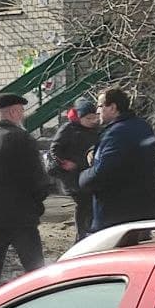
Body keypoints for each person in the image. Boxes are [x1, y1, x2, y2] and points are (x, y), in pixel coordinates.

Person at [0, 93, 49, 299]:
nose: (22, 115)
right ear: (14, 112)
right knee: (35, 271)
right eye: (21, 111)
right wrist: (37, 204)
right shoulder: (23, 139)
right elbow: (39, 180)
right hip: (22, 217)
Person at [78, 86, 155, 231]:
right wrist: (95, 150)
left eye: (100, 106)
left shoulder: (117, 133)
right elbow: (129, 155)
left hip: (117, 215)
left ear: (112, 107)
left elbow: (104, 172)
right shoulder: (142, 127)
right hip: (143, 210)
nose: (97, 111)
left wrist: (82, 178)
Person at [50, 97, 101, 240]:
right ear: (79, 118)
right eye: (89, 118)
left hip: (88, 172)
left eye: (94, 117)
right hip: (72, 175)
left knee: (89, 203)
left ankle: (88, 232)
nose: (93, 121)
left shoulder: (97, 130)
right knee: (83, 202)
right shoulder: (68, 129)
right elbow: (54, 149)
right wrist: (64, 162)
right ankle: (81, 235)